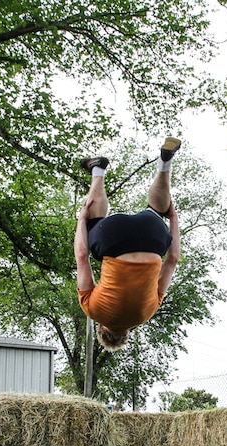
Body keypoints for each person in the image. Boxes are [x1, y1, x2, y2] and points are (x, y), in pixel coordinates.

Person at [75, 137, 182, 351]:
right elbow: (81, 255)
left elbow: (172, 260)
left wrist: (173, 219)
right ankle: (97, 169)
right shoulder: (93, 310)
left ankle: (165, 162)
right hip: (112, 236)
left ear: (127, 332)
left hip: (152, 238)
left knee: (157, 210)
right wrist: (82, 219)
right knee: (93, 222)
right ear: (101, 326)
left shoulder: (147, 313)